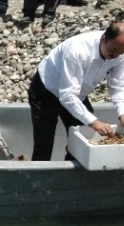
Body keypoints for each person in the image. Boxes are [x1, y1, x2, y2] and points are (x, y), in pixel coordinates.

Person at [28, 22, 124, 161]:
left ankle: (70, 176)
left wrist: (122, 112)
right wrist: (94, 122)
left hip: (79, 93)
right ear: (103, 39)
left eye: (121, 52)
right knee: (44, 143)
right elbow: (67, 95)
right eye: (113, 50)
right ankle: (39, 179)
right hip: (47, 91)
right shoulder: (77, 50)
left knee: (82, 142)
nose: (116, 55)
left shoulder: (120, 52)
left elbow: (118, 85)